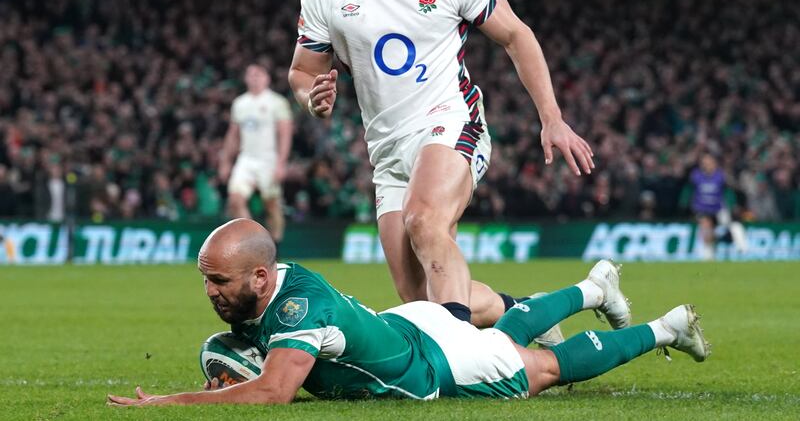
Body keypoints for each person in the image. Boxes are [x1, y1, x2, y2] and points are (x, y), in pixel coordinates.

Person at [287, 0, 594, 326]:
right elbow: (301, 73)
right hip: (387, 150)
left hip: (449, 119)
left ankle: (453, 358)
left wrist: (551, 118)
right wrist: (313, 97)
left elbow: (516, 35)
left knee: (425, 221)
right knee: (418, 297)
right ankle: (531, 313)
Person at [107, 219, 709, 407]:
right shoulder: (277, 284)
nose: (210, 290)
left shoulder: (294, 307)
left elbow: (273, 394)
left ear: (259, 277)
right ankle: (592, 289)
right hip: (407, 323)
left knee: (540, 367)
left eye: (219, 280)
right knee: (504, 333)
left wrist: (169, 403)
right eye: (205, 280)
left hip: (429, 366)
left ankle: (666, 327)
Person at [219, 64, 293, 247]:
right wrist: (226, 161)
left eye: (258, 75)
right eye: (251, 75)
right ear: (245, 79)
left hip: (269, 158)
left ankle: (275, 245)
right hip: (247, 158)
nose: (254, 78)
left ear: (267, 78)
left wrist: (281, 163)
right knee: (235, 199)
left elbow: (285, 133)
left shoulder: (277, 102)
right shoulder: (240, 103)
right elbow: (233, 134)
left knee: (271, 205)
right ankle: (254, 243)